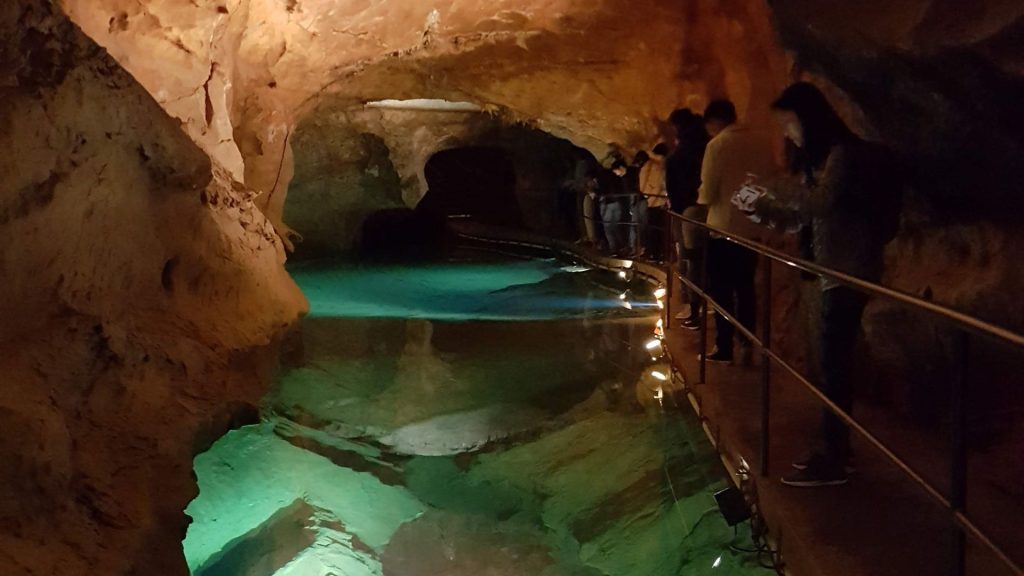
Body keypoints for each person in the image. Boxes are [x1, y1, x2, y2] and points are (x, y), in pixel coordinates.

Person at [743, 82, 901, 487]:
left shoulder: (842, 156)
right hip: (836, 272)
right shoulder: (823, 162)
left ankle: (835, 457)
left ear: (809, 119)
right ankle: (835, 448)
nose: (788, 134)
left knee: (835, 367)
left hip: (849, 271)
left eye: (790, 124)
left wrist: (773, 189)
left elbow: (821, 204)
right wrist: (762, 210)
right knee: (833, 365)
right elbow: (806, 218)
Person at [696, 99, 776, 364]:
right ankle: (747, 343)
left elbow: (708, 192)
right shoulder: (762, 143)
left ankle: (724, 346)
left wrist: (700, 198)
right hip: (751, 227)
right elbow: (768, 184)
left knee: (722, 291)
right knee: (746, 288)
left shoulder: (717, 145)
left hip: (723, 227)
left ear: (714, 122)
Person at [665, 109, 710, 327]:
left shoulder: (678, 155)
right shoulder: (706, 147)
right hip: (709, 209)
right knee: (705, 259)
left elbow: (673, 189)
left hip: (687, 212)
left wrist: (675, 209)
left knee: (689, 260)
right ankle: (707, 304)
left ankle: (693, 309)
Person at [640, 143, 670, 261]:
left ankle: (655, 254)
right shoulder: (658, 165)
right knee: (657, 229)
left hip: (654, 200)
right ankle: (658, 254)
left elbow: (644, 183)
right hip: (658, 201)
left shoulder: (650, 164)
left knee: (654, 229)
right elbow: (660, 184)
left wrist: (647, 196)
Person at [597, 160, 630, 256]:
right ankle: (622, 246)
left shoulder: (602, 176)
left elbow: (602, 190)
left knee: (608, 227)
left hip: (608, 203)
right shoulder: (616, 177)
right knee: (616, 226)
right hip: (618, 203)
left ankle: (614, 248)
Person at [626, 151, 650, 257]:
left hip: (637, 198)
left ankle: (636, 247)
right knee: (640, 224)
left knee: (637, 224)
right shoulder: (640, 170)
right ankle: (639, 248)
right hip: (640, 198)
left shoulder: (631, 170)